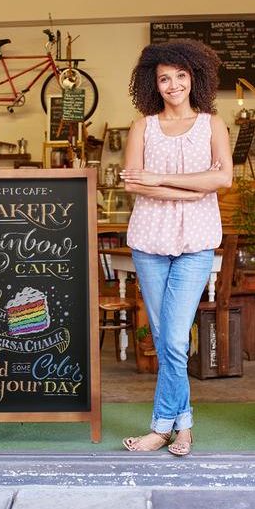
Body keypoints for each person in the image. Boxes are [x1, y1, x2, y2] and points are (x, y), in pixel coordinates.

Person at [119, 39, 233, 456]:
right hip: (149, 242)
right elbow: (132, 181)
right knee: (168, 337)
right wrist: (190, 186)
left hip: (196, 244)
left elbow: (223, 180)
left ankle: (159, 427)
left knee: (173, 341)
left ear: (194, 78)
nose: (173, 85)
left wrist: (162, 183)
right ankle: (182, 428)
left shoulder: (212, 124)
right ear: (153, 83)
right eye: (164, 78)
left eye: (180, 76)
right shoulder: (142, 126)